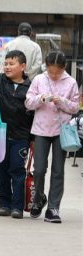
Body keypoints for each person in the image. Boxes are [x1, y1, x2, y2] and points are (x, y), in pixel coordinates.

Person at [25, 51, 80, 223]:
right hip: (41, 129)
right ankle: (38, 199)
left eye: (57, 72)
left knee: (58, 170)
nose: (54, 75)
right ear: (46, 67)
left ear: (64, 68)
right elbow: (28, 102)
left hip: (61, 131)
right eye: (51, 71)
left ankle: (53, 207)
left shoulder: (71, 82)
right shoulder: (39, 79)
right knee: (39, 169)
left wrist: (62, 101)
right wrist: (40, 99)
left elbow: (75, 107)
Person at [0, 50, 33, 218]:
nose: (7, 67)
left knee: (17, 171)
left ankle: (17, 206)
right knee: (0, 171)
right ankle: (5, 204)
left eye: (11, 64)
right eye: (5, 64)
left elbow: (34, 115)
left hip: (20, 137)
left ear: (23, 66)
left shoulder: (31, 88)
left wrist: (32, 139)